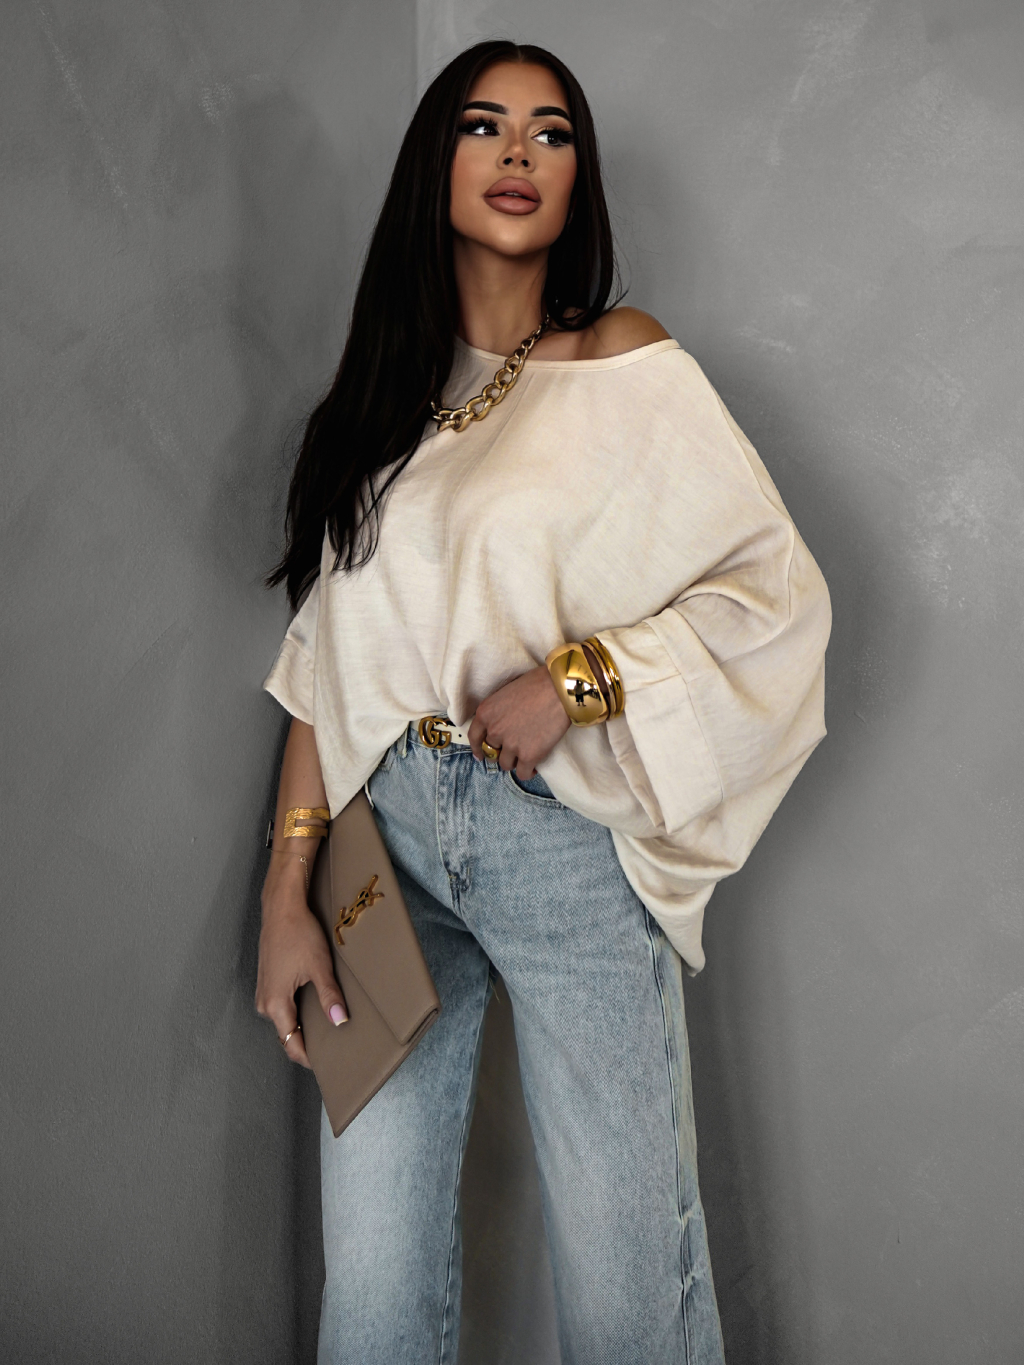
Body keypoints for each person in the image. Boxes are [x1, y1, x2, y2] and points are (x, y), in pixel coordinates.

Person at [256, 38, 831, 1365]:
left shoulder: (621, 357)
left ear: (578, 179)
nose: (518, 152)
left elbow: (772, 592)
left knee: (629, 1284)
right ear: (436, 163)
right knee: (373, 1287)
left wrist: (579, 681)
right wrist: (285, 896)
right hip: (379, 848)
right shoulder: (382, 403)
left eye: (551, 132)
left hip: (558, 840)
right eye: (485, 124)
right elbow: (328, 666)